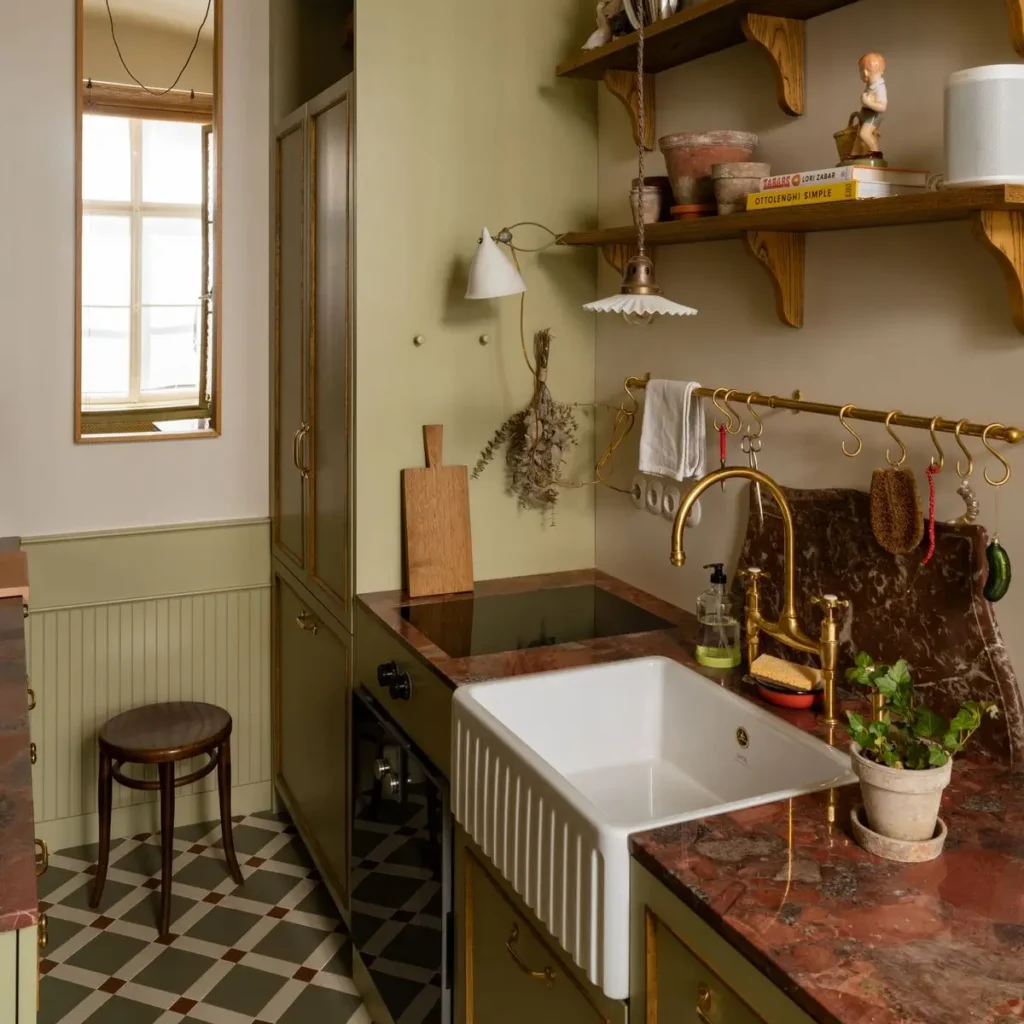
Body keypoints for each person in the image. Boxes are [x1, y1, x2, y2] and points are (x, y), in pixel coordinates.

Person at [853, 53, 888, 156]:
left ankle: (876, 153)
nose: (863, 74)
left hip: (873, 116)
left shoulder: (879, 87)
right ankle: (855, 154)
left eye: (861, 71)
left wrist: (867, 102)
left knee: (864, 134)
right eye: (861, 71)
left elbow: (882, 107)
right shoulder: (871, 85)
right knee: (858, 137)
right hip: (866, 114)